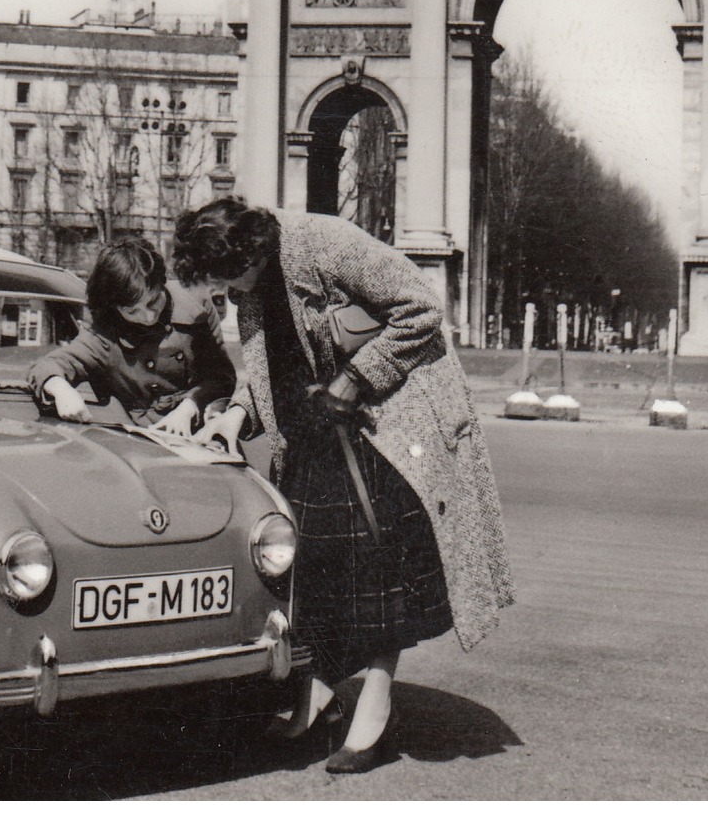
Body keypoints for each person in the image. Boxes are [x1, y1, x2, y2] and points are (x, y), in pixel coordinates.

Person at [174, 198, 513, 774]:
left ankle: (376, 709)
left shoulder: (326, 245)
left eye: (229, 278)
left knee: (379, 570)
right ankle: (321, 692)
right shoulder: (252, 283)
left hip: (389, 426)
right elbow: (269, 369)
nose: (227, 293)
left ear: (251, 252)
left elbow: (421, 308)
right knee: (317, 565)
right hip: (317, 432)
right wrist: (233, 416)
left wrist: (353, 381)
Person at [29, 237, 235, 435]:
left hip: (204, 431)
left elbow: (221, 377)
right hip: (141, 442)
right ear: (114, 307)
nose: (149, 316)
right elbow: (48, 366)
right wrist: (61, 389)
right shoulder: (104, 334)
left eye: (153, 301)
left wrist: (190, 405)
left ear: (162, 283)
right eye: (132, 311)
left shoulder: (196, 306)